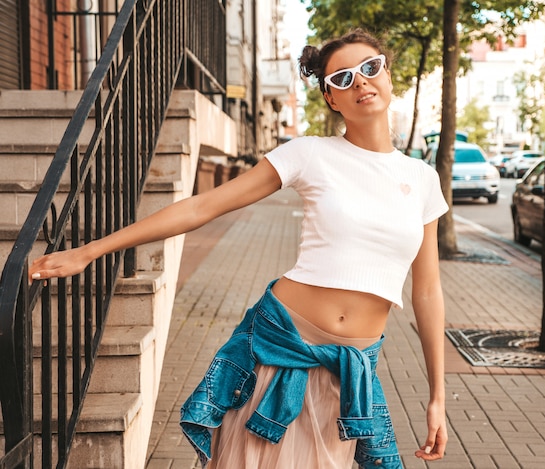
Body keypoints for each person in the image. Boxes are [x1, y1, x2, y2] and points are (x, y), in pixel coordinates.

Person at [29, 28, 448, 469]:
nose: (360, 81)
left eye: (369, 68)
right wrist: (93, 250)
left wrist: (437, 397)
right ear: (331, 99)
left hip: (351, 373)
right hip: (278, 350)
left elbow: (427, 292)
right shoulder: (309, 154)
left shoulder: (422, 180)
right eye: (342, 78)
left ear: (388, 76)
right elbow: (203, 206)